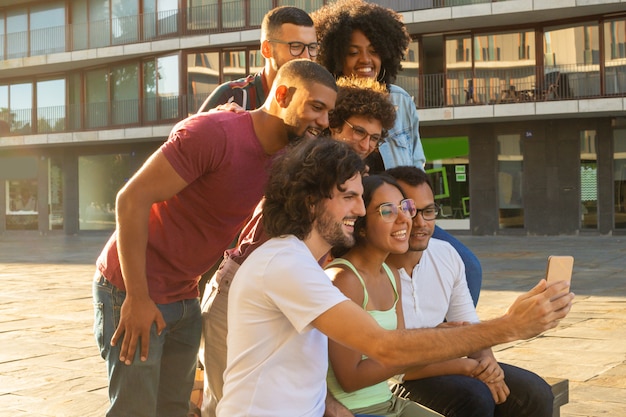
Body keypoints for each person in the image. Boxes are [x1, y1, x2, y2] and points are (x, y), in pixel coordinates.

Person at [217, 136, 573, 417]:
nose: (359, 209)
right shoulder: (286, 264)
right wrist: (510, 325)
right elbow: (383, 347)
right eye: (349, 197)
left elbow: (292, 362)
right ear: (311, 200)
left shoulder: (301, 263)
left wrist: (329, 406)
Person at [92, 59, 337, 417]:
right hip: (131, 288)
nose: (324, 122)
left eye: (329, 112)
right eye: (317, 107)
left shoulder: (285, 158)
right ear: (282, 94)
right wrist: (137, 298)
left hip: (185, 295)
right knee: (135, 410)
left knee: (174, 409)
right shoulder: (215, 132)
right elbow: (130, 200)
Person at [199, 74, 396, 417]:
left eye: (375, 138)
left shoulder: (349, 177)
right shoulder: (301, 164)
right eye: (358, 132)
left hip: (290, 288)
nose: (365, 144)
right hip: (241, 284)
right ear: (333, 126)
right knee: (224, 400)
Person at [312, 0, 483, 306]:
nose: (366, 59)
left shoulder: (400, 102)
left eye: (374, 50)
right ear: (335, 55)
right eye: (353, 51)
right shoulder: (327, 105)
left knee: (467, 267)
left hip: (400, 213)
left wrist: (415, 215)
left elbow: (416, 166)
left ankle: (444, 336)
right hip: (350, 223)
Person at [385, 166, 554, 417]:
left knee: (535, 393)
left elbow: (470, 328)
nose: (421, 222)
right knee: (473, 397)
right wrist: (467, 366)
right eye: (411, 210)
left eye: (429, 211)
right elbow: (391, 366)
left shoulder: (446, 254)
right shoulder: (376, 267)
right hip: (396, 379)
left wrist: (487, 364)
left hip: (444, 364)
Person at [325, 174, 441, 417]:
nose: (404, 219)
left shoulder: (390, 273)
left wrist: (446, 341)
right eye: (387, 211)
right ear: (362, 226)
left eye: (404, 207)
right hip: (356, 410)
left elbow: (398, 351)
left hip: (390, 403)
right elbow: (350, 378)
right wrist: (435, 344)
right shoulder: (344, 280)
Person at [197, 6, 317, 112]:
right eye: (296, 47)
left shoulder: (321, 101)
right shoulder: (231, 96)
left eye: (312, 47)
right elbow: (186, 135)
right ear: (266, 49)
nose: (306, 56)